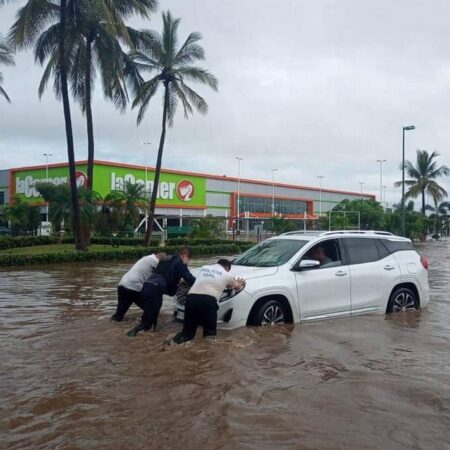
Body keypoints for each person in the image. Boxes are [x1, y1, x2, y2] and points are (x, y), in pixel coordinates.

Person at [169, 259, 246, 345]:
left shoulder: (204, 268)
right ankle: (208, 352)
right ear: (227, 268)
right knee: (209, 335)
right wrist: (240, 282)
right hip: (208, 301)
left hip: (191, 299)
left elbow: (208, 280)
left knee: (187, 333)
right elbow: (237, 287)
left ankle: (171, 344)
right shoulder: (227, 274)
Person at [127, 247, 196, 337]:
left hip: (147, 287)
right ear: (185, 256)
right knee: (146, 324)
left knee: (153, 317)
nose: (187, 261)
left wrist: (178, 281)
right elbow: (190, 279)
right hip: (155, 291)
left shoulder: (167, 259)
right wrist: (199, 282)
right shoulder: (181, 262)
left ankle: (148, 337)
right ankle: (130, 337)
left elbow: (166, 276)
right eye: (188, 259)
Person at [111, 252, 165, 322]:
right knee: (152, 309)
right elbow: (163, 273)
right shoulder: (155, 261)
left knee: (119, 315)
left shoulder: (147, 258)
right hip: (133, 287)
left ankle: (113, 326)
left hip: (122, 285)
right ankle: (144, 326)